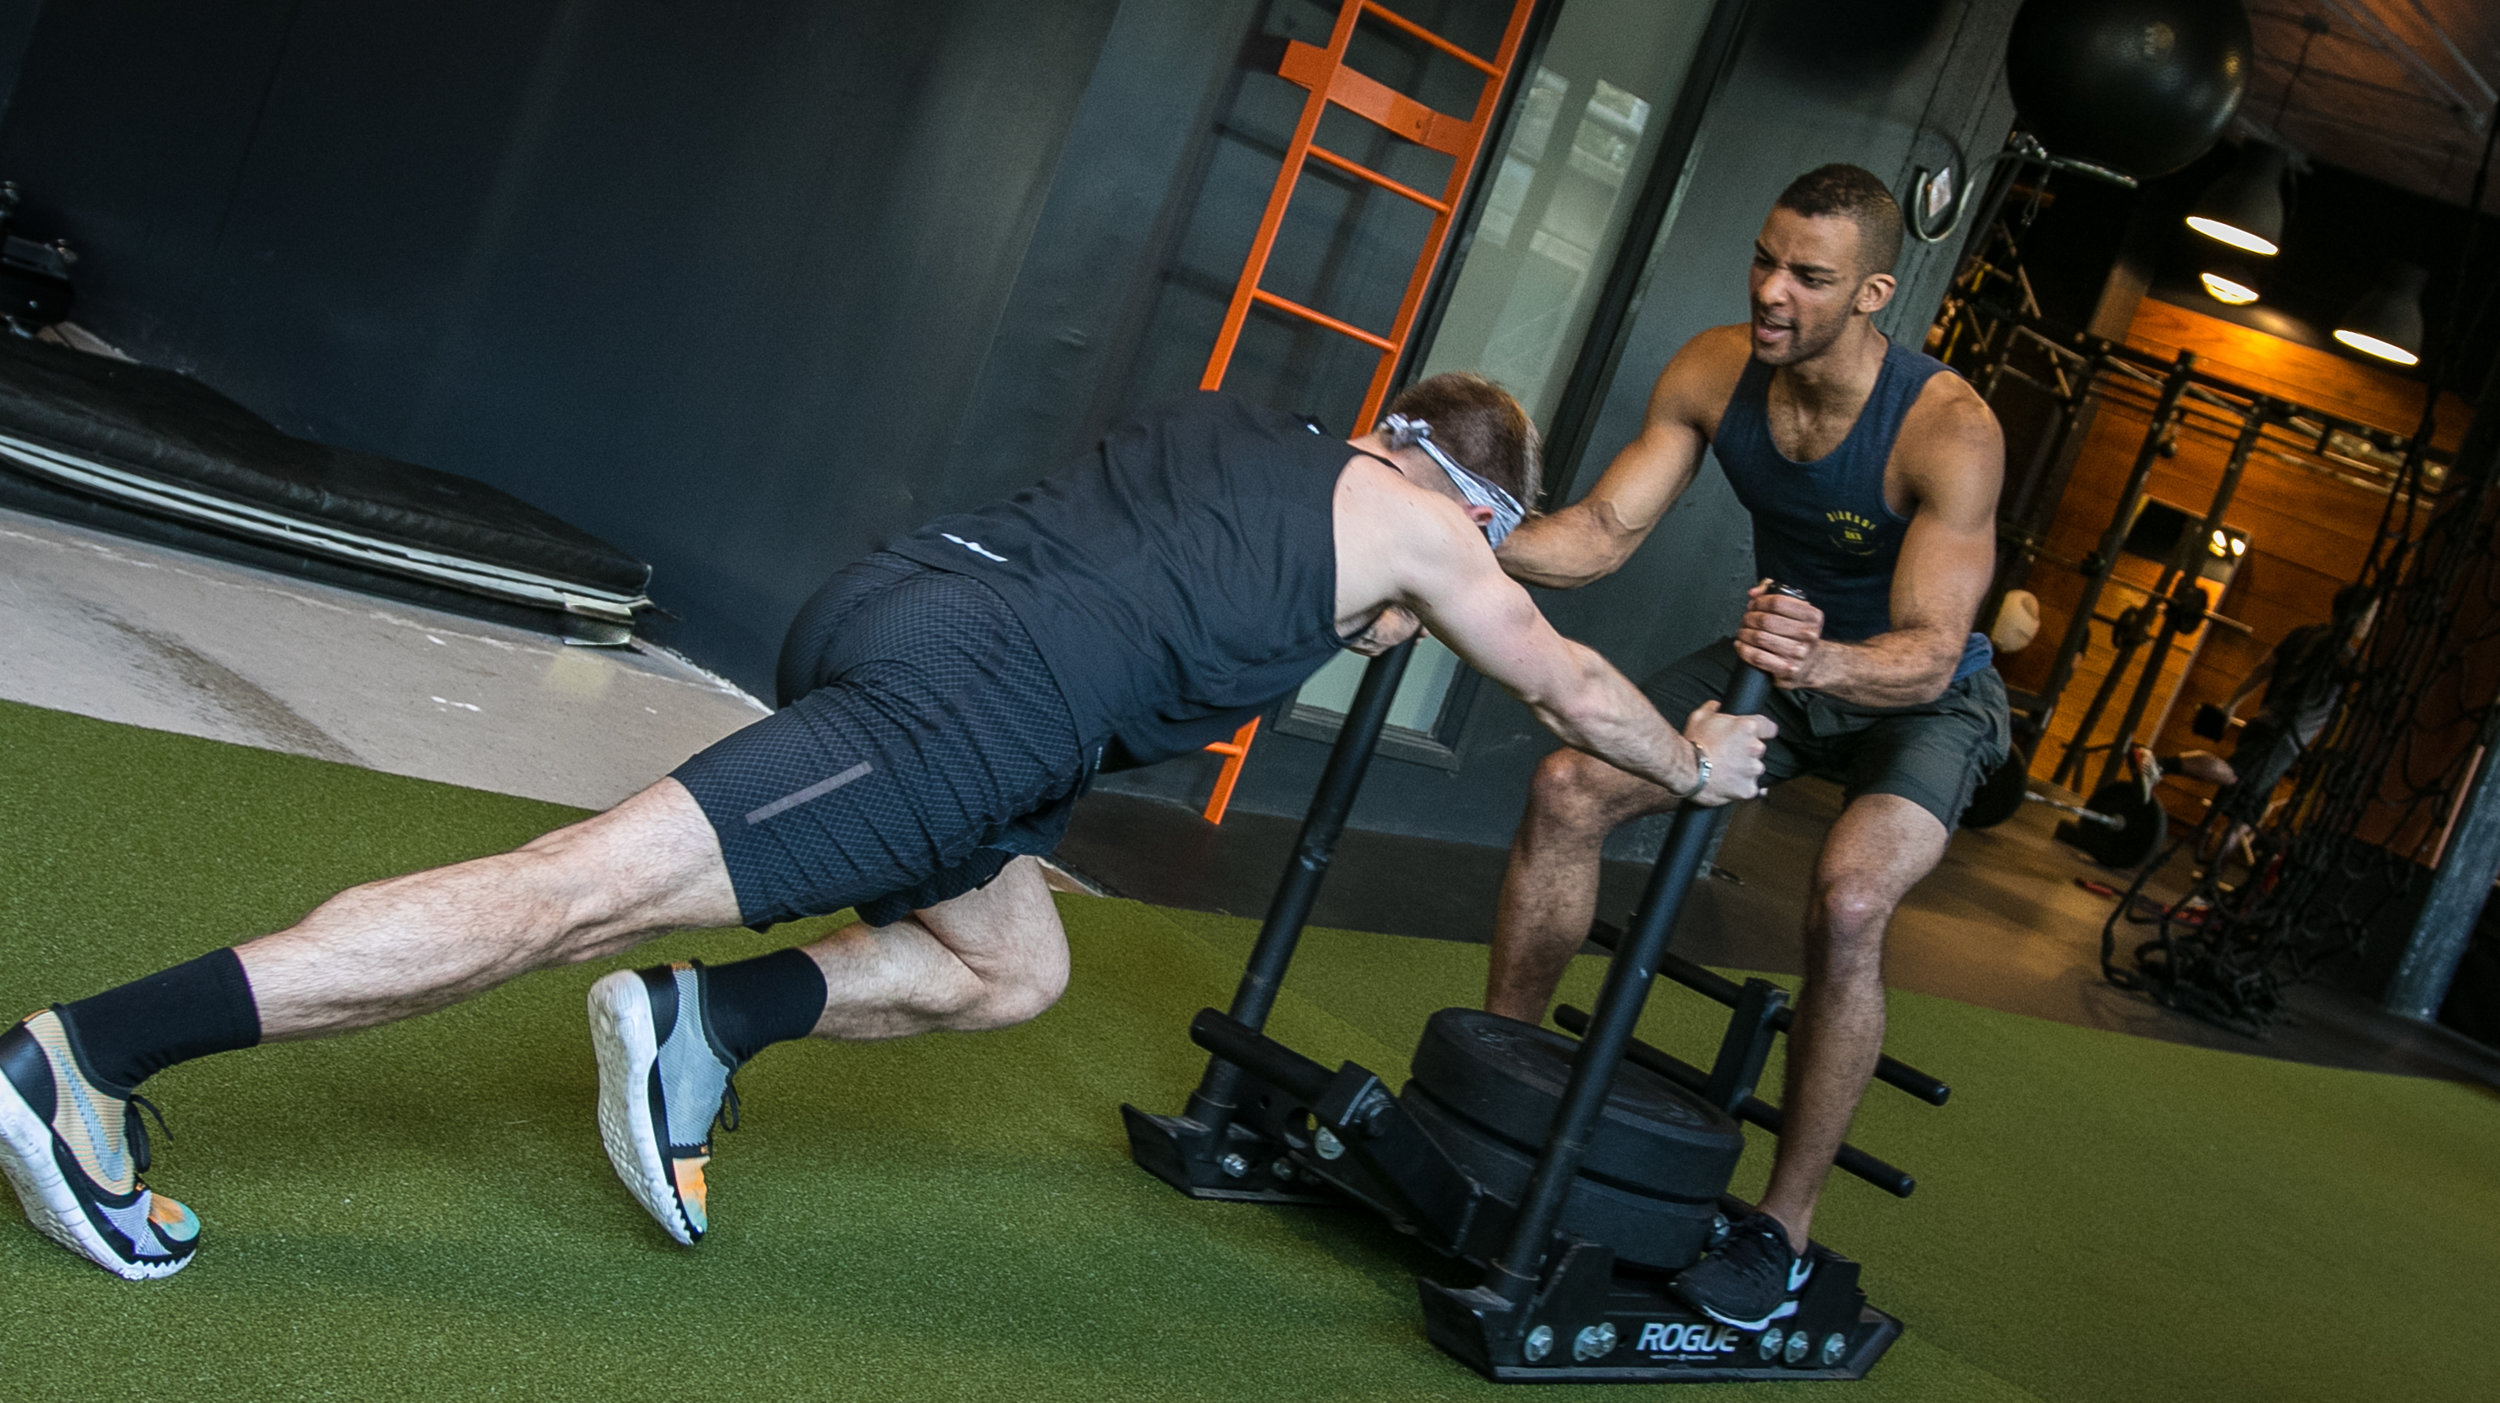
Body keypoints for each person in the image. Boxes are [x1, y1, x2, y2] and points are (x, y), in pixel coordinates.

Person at [0, 373, 1775, 1280]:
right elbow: (1566, 680)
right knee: (571, 895)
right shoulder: (1422, 527)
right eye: (1480, 538)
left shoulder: (1249, 432)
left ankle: (708, 1020)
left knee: (1012, 955)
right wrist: (1691, 764)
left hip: (904, 611)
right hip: (973, 708)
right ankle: (82, 1056)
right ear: (1464, 493)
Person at [1482, 165, 2007, 1330]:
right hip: (1779, 664)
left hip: (1919, 699)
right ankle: (1495, 1093)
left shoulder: (1947, 427)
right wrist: (1456, 530)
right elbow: (1601, 536)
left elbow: (1926, 651)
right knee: (1568, 783)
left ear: (1872, 289)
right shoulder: (1716, 369)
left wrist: (1818, 662)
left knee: (1852, 900)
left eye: (1807, 277)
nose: (1772, 290)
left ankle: (1781, 1227)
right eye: (1764, 259)